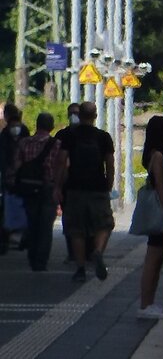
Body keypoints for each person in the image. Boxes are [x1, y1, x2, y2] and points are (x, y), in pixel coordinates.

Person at [60, 100, 115, 282]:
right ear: (95, 116)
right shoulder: (103, 137)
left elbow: (63, 162)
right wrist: (108, 184)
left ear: (78, 115)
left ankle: (80, 268)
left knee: (77, 230)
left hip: (74, 188)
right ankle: (98, 251)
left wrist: (59, 186)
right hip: (98, 186)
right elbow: (110, 163)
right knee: (105, 224)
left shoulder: (69, 136)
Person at [12, 112, 62, 272]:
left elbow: (16, 165)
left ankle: (32, 256)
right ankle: (41, 261)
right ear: (51, 127)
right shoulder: (56, 144)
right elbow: (60, 168)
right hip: (47, 188)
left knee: (32, 223)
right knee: (46, 226)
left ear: (37, 125)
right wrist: (58, 188)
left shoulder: (24, 143)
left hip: (27, 188)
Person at [137, 115, 163, 319]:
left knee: (155, 259)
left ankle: (148, 303)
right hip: (160, 213)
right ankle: (145, 303)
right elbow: (160, 187)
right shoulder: (158, 156)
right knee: (153, 259)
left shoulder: (153, 154)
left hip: (160, 212)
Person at [55, 102, 90, 262]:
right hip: (69, 185)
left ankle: (85, 252)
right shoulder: (62, 135)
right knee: (70, 220)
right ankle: (74, 253)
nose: (73, 116)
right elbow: (57, 161)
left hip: (88, 184)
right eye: (71, 113)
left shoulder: (93, 135)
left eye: (76, 113)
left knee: (86, 220)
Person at [0, 105, 30, 253]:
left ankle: (18, 237)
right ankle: (8, 239)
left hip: (21, 179)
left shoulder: (21, 135)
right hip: (9, 179)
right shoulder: (5, 136)